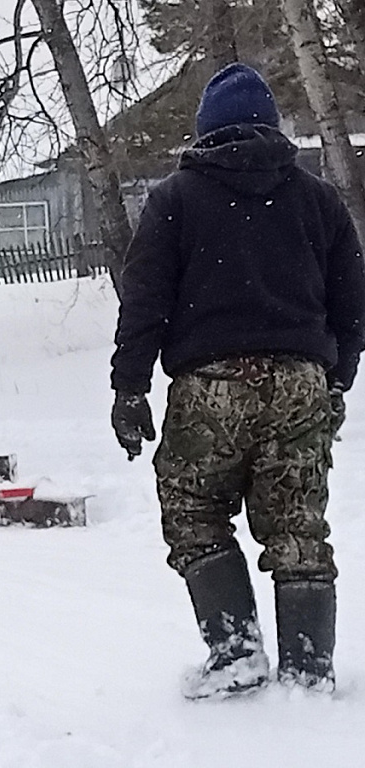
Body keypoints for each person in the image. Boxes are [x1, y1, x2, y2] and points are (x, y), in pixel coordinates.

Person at [110, 63, 365, 699]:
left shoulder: (174, 199)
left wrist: (129, 387)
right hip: (302, 382)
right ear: (271, 127)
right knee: (298, 522)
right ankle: (309, 671)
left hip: (209, 386)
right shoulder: (317, 199)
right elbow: (353, 302)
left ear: (206, 131)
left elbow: (144, 301)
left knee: (195, 512)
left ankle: (236, 654)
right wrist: (338, 378)